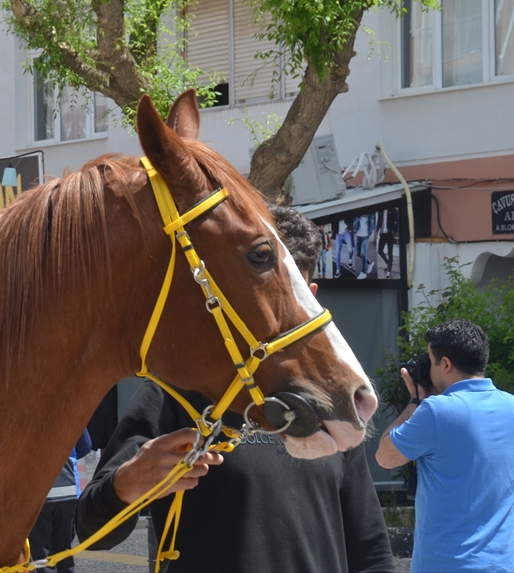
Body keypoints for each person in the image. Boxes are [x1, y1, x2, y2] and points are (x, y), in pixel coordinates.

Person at [76, 206, 393, 573]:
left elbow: (370, 550)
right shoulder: (176, 395)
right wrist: (127, 483)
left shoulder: (329, 404)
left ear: (310, 297)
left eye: (285, 297)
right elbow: (91, 532)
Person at [376, 319, 514, 572]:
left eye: (429, 360)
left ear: (445, 364)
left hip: (450, 564)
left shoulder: (436, 412)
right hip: (509, 563)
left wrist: (415, 401)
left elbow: (385, 456)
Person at [30, 430, 92, 572]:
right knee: (64, 548)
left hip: (39, 492)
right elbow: (86, 446)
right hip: (68, 489)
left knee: (42, 551)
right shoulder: (71, 411)